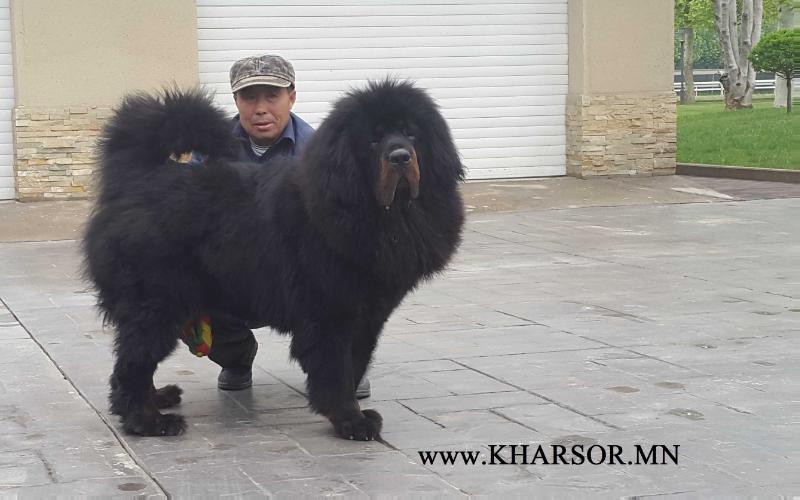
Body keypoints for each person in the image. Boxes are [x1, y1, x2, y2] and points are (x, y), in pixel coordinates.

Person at [185, 54, 371, 398]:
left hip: (301, 275)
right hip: (235, 272)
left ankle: (341, 366)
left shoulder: (321, 151)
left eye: (272, 95)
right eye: (249, 97)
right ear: (236, 100)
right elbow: (189, 216)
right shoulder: (209, 151)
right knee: (182, 286)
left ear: (292, 97)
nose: (260, 108)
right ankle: (236, 358)